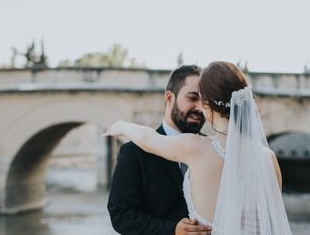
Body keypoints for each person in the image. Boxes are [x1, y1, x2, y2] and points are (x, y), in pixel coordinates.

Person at [104, 61, 292, 234]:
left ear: (208, 104)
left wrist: (121, 126)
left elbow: (146, 137)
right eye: (191, 97)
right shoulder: (268, 157)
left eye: (200, 99)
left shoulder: (195, 147)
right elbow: (273, 221)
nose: (198, 107)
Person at [107, 65, 212, 235]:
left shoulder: (214, 149)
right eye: (193, 98)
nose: (200, 108)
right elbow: (121, 215)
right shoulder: (134, 152)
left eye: (205, 101)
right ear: (169, 98)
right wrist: (172, 230)